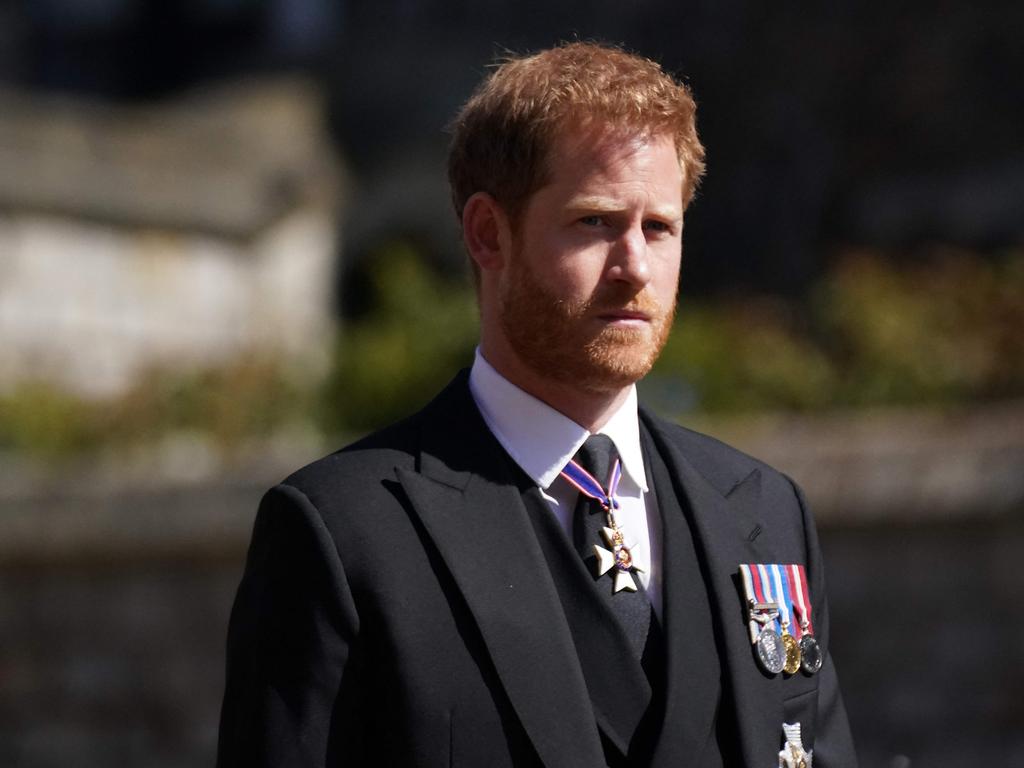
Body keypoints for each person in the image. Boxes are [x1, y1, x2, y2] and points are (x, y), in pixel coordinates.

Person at [217, 42, 857, 767]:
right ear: (490, 234)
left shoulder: (765, 513)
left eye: (659, 228)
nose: (635, 269)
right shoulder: (346, 533)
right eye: (595, 223)